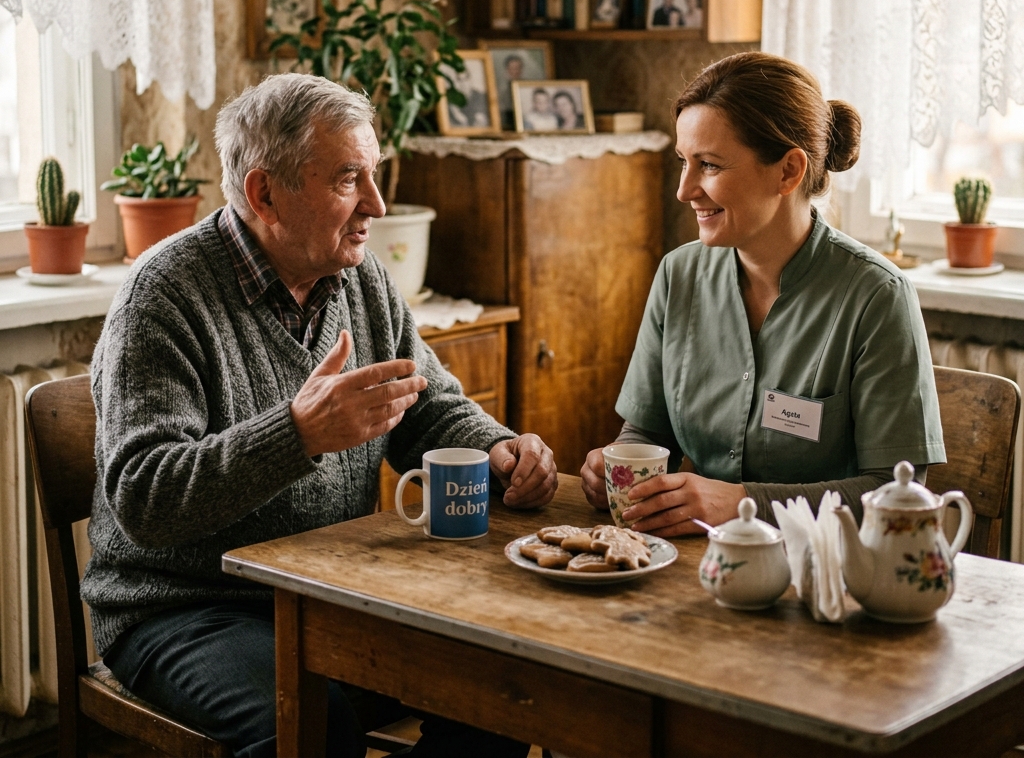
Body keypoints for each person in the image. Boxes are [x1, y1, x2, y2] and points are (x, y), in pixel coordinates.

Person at [82, 74, 557, 757]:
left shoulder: (359, 277)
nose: (376, 203)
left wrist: (498, 448)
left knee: (502, 685)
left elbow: (427, 405)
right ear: (263, 192)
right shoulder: (163, 296)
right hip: (185, 607)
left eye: (374, 174)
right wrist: (297, 434)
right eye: (347, 179)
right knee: (311, 725)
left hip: (327, 591)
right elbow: (145, 497)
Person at [581, 52, 945, 536]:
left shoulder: (876, 296)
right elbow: (649, 432)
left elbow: (895, 493)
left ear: (789, 171)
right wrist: (618, 464)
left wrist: (742, 504)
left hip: (825, 579)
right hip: (696, 566)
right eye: (683, 163)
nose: (685, 190)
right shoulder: (678, 275)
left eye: (708, 165)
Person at [447, 63, 491, 128]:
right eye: (460, 80)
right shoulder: (453, 99)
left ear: (470, 80)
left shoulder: (481, 96)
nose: (463, 84)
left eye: (465, 79)